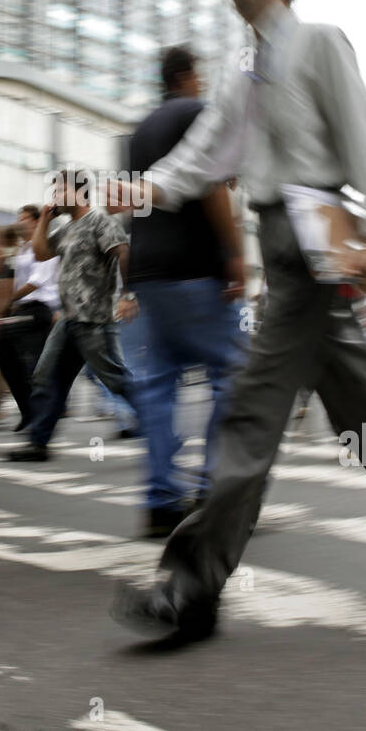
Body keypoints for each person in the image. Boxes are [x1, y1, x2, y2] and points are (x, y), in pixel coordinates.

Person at [113, 0, 366, 644]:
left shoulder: (319, 43)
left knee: (251, 411)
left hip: (317, 246)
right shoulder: (241, 70)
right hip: (281, 247)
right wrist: (130, 190)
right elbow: (200, 159)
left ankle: (192, 586)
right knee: (362, 413)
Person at [126, 44, 247, 538]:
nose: (201, 83)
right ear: (186, 76)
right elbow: (212, 184)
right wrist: (235, 253)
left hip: (147, 269)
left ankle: (160, 500)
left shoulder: (137, 132)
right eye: (198, 74)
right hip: (194, 267)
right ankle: (215, 489)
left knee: (158, 384)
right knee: (236, 373)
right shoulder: (197, 112)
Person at [9, 168, 137, 462]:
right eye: (53, 191)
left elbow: (124, 254)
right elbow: (41, 254)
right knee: (46, 377)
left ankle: (157, 425)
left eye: (60, 190)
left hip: (94, 320)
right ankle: (38, 443)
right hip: (68, 320)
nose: (55, 196)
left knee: (117, 380)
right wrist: (45, 218)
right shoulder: (65, 229)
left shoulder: (100, 222)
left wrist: (128, 296)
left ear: (78, 191)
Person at [0, 204, 59, 430]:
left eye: (24, 218)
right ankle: (28, 411)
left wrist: (11, 299)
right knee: (5, 354)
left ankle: (41, 415)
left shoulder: (41, 246)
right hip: (21, 309)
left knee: (34, 366)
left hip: (37, 309)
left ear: (35, 221)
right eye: (18, 218)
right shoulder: (23, 249)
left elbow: (36, 282)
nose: (19, 222)